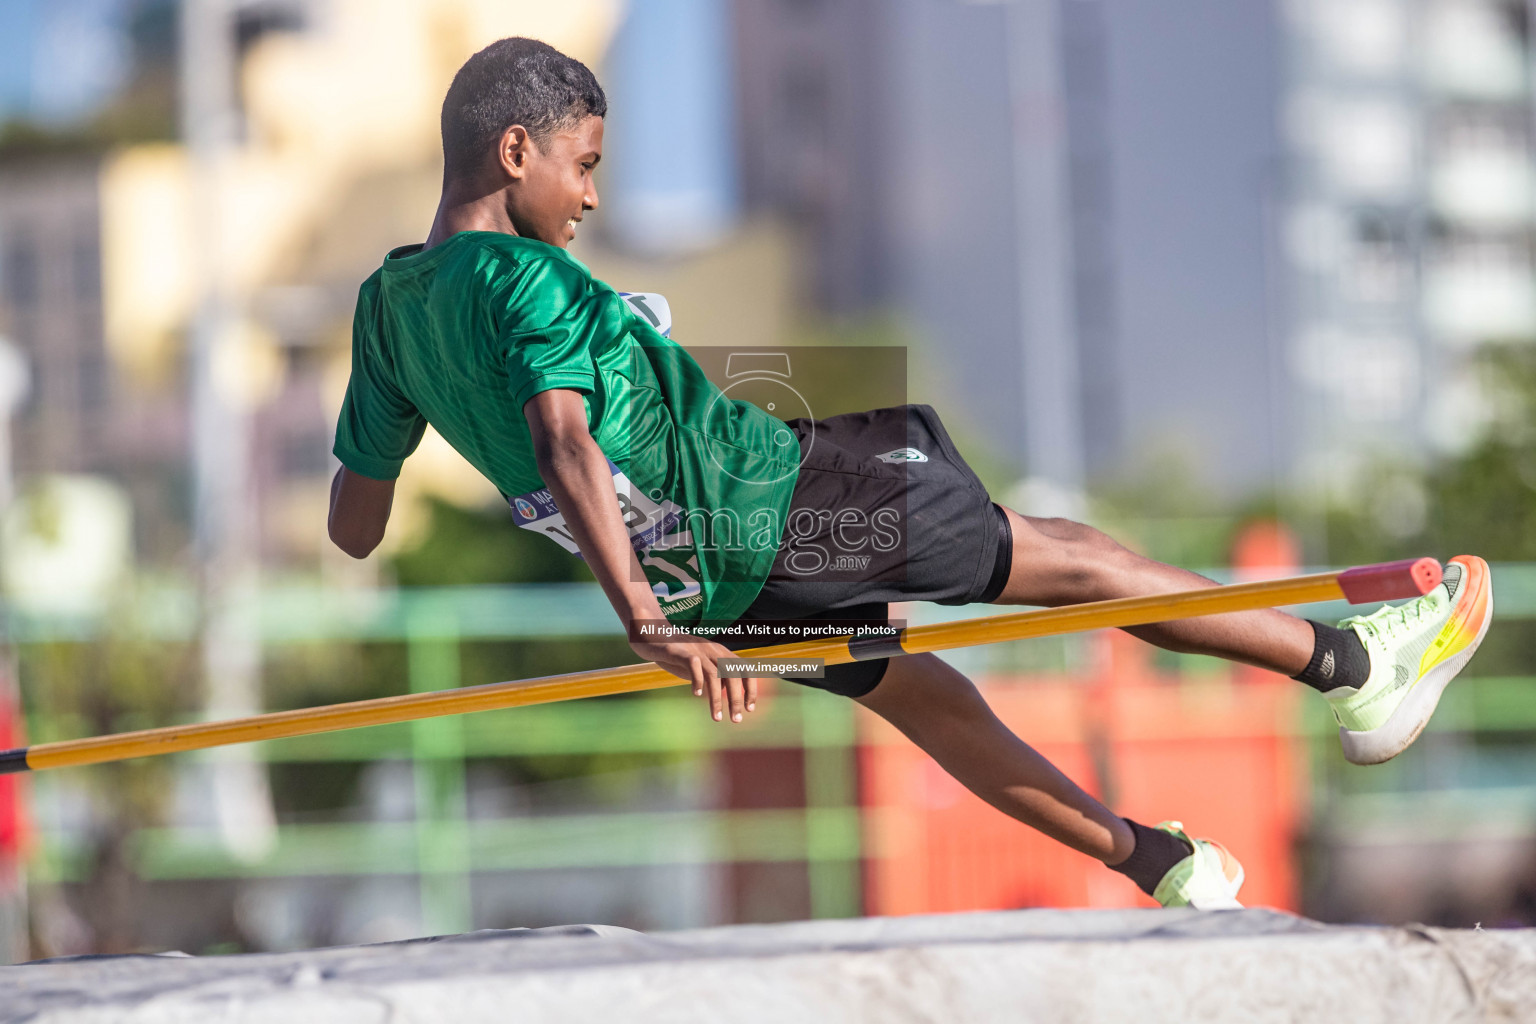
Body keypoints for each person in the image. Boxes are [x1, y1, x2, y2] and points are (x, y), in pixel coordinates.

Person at [327, 37, 1494, 910]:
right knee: (1068, 560)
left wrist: (596, 436)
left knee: (930, 699)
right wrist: (636, 617)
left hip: (716, 603)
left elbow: (356, 524)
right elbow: (564, 439)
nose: (589, 196)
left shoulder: (387, 310)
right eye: (582, 167)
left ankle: (1162, 863)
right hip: (773, 513)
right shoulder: (534, 282)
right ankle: (1352, 666)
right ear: (514, 149)